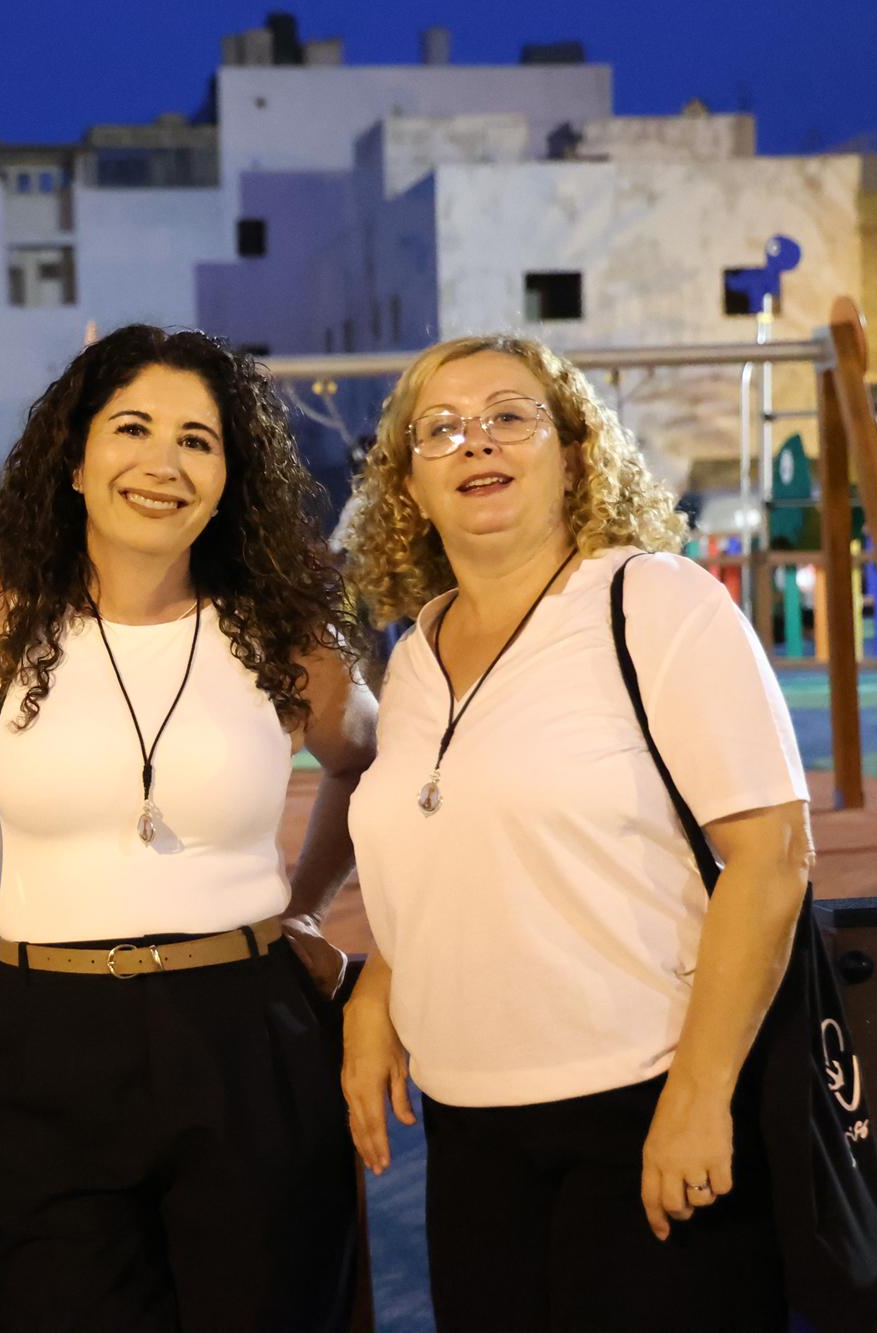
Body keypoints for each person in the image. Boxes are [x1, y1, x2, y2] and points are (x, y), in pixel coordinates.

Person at [0, 325, 376, 1332]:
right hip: (41, 1033)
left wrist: (309, 905)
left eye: (197, 439)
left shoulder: (283, 635)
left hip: (245, 1032)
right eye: (132, 427)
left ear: (228, 479)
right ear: (73, 457)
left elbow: (369, 760)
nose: (162, 462)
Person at [338, 334, 811, 1332]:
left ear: (573, 454)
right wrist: (381, 982)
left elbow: (771, 852)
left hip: (643, 1100)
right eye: (440, 429)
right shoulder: (416, 653)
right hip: (468, 1125)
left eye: (510, 416)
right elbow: (449, 840)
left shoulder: (654, 601)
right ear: (408, 488)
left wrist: (699, 1094)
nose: (477, 442)